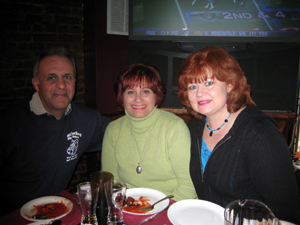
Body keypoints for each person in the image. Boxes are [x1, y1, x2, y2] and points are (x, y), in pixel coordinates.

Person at [177, 46, 300, 222]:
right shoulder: (196, 127)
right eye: (192, 86)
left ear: (230, 84)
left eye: (209, 83)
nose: (199, 93)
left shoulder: (259, 132)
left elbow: (285, 211)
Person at [0, 47, 110, 215]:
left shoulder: (87, 119)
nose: (61, 85)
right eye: (52, 77)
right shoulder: (10, 122)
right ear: (36, 83)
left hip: (57, 211)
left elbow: (120, 134)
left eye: (68, 77)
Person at [101, 63, 197, 201]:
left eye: (145, 91)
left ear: (156, 95)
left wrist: (163, 213)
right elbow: (111, 182)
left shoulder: (175, 127)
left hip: (171, 207)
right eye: (130, 91)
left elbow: (189, 185)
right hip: (129, 207)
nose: (138, 98)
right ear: (122, 97)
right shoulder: (113, 130)